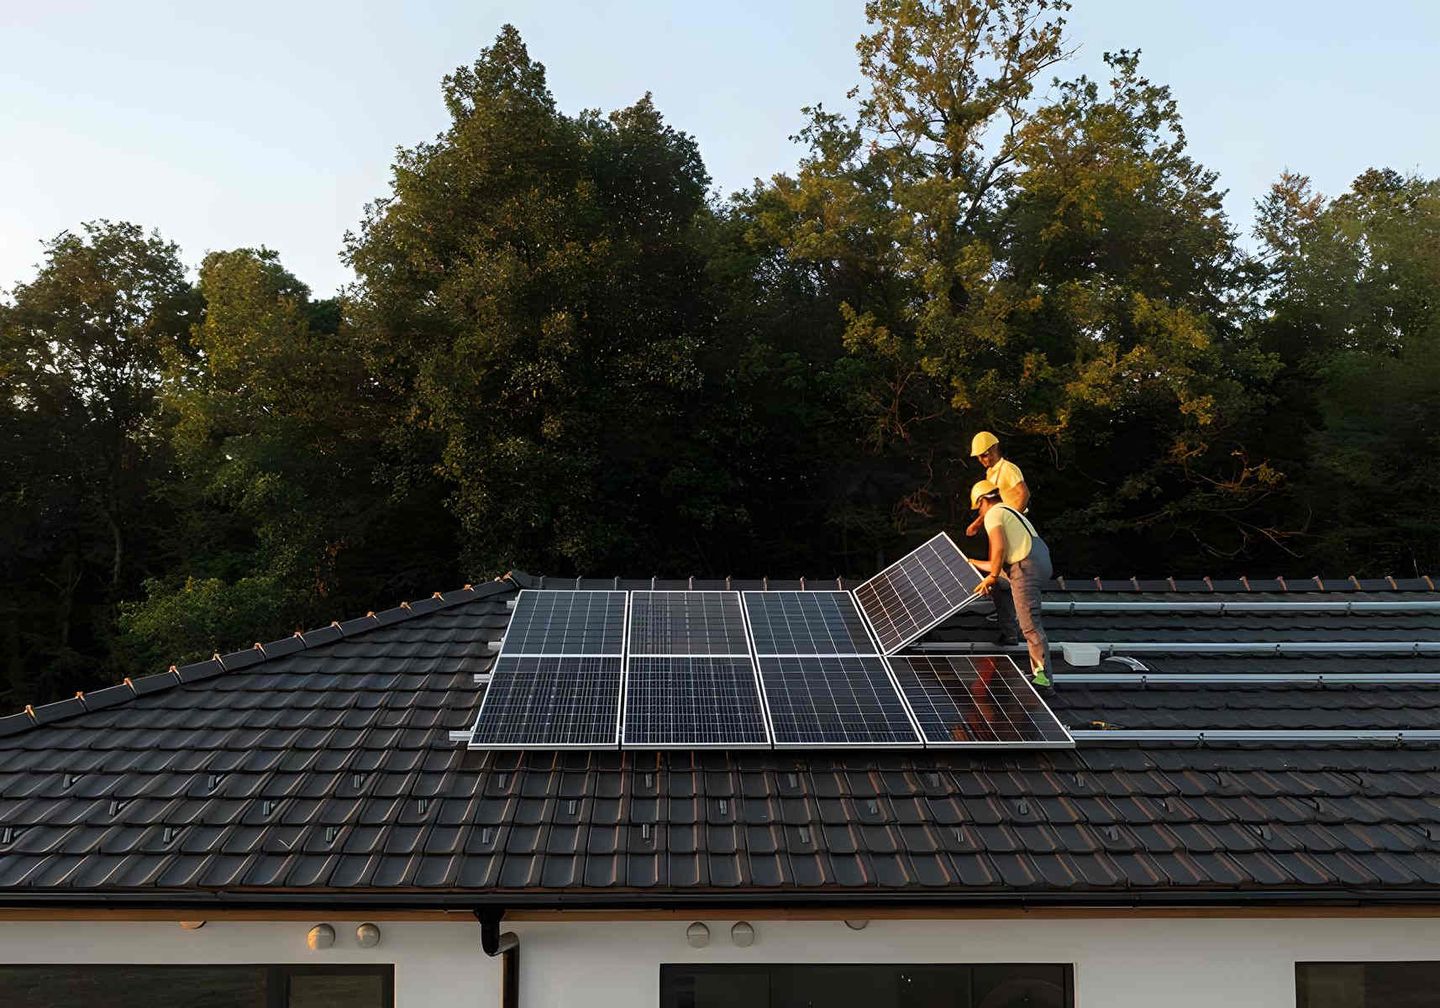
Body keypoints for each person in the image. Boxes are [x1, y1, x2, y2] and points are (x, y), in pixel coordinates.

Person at [968, 479, 1053, 689]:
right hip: (1034, 560)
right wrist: (972, 563)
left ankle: (1043, 681)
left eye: (978, 507)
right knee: (1003, 585)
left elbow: (998, 548)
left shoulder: (993, 514)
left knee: (1030, 626)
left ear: (982, 502)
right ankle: (1009, 633)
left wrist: (992, 576)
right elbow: (1000, 560)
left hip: (1026, 566)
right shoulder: (1009, 511)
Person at [964, 431, 1028, 538]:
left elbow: (1024, 494)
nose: (981, 460)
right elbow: (990, 506)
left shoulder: (1007, 468)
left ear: (995, 448)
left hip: (1016, 525)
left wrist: (1013, 520)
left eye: (984, 455)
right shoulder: (990, 474)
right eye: (978, 457)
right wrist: (977, 524)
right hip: (1003, 525)